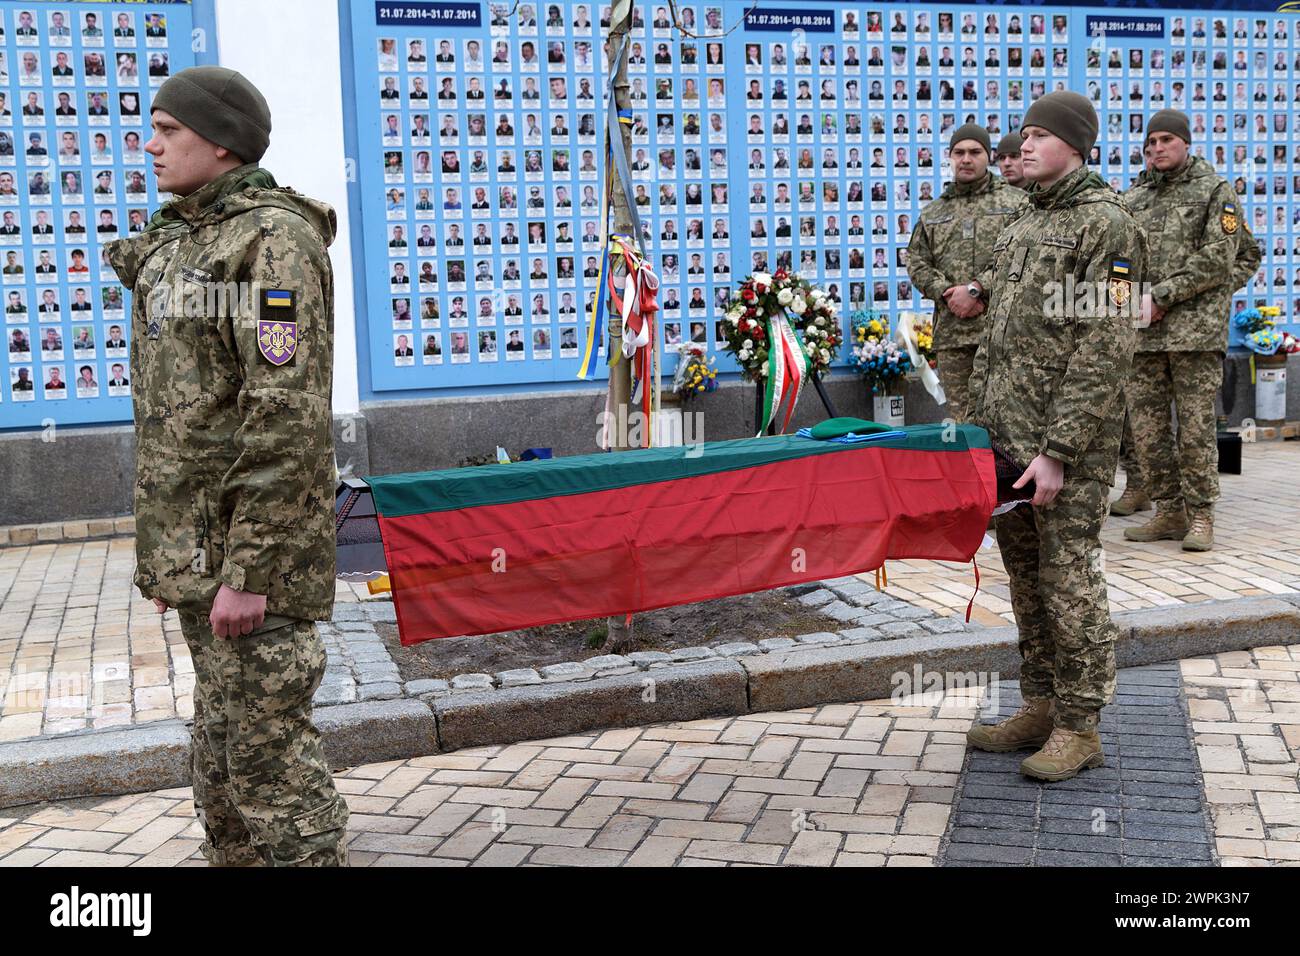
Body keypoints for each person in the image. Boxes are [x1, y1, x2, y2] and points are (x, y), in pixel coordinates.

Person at [103, 67, 348, 867]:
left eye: (168, 131)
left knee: (269, 764)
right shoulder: (189, 236)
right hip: (199, 558)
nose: (150, 145)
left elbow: (286, 419)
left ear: (221, 143)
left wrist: (251, 570)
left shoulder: (272, 243)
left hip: (250, 561)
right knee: (219, 759)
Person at [966, 92, 1149, 782]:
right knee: (1025, 578)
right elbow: (1002, 340)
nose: (1027, 143)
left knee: (1069, 579)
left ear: (1077, 144)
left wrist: (1058, 452)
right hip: (1007, 438)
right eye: (1026, 133)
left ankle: (1080, 724)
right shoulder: (1022, 221)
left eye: (1042, 134)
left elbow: (1104, 349)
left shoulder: (1108, 225)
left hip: (1063, 448)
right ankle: (1039, 704)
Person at [1120, 111, 1261, 551]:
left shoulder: (1213, 191)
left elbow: (1224, 256)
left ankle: (1201, 515)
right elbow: (1120, 259)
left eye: (1166, 140)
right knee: (1147, 428)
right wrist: (1128, 300)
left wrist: (1172, 297)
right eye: (1149, 143)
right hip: (1142, 333)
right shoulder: (1134, 196)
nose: (1156, 149)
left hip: (1193, 334)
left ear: (1185, 142)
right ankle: (1167, 510)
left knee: (1196, 427)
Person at [907, 124, 1029, 420]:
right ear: (949, 157)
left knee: (1009, 420)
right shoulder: (934, 211)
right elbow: (916, 260)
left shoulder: (1015, 202)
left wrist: (976, 289)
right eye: (959, 152)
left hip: (1003, 332)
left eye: (975, 152)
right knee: (964, 422)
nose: (966, 159)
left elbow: (1023, 255)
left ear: (988, 157)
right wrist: (947, 293)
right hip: (953, 334)